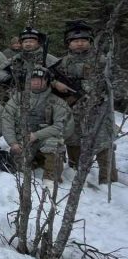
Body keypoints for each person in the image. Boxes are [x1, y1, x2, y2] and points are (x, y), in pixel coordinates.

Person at [50, 20, 122, 184]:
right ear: (69, 44)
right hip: (73, 109)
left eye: (83, 40)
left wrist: (95, 91)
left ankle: (108, 180)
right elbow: (48, 80)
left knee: (104, 144)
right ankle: (76, 172)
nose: (79, 44)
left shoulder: (102, 61)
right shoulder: (62, 63)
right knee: (73, 140)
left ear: (90, 42)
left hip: (98, 109)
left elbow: (117, 85)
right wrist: (56, 84)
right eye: (75, 41)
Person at [2, 66, 73, 191]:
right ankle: (37, 160)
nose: (35, 82)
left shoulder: (57, 102)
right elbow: (7, 120)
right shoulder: (17, 99)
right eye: (32, 79)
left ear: (47, 81)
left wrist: (37, 135)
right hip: (23, 139)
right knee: (18, 165)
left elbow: (61, 126)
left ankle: (50, 178)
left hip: (44, 139)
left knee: (53, 144)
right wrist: (12, 142)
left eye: (40, 79)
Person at [0, 27, 58, 93]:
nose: (28, 44)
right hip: (19, 96)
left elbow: (60, 80)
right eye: (25, 42)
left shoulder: (49, 59)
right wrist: (9, 79)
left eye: (31, 42)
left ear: (38, 43)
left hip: (42, 97)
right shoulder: (18, 57)